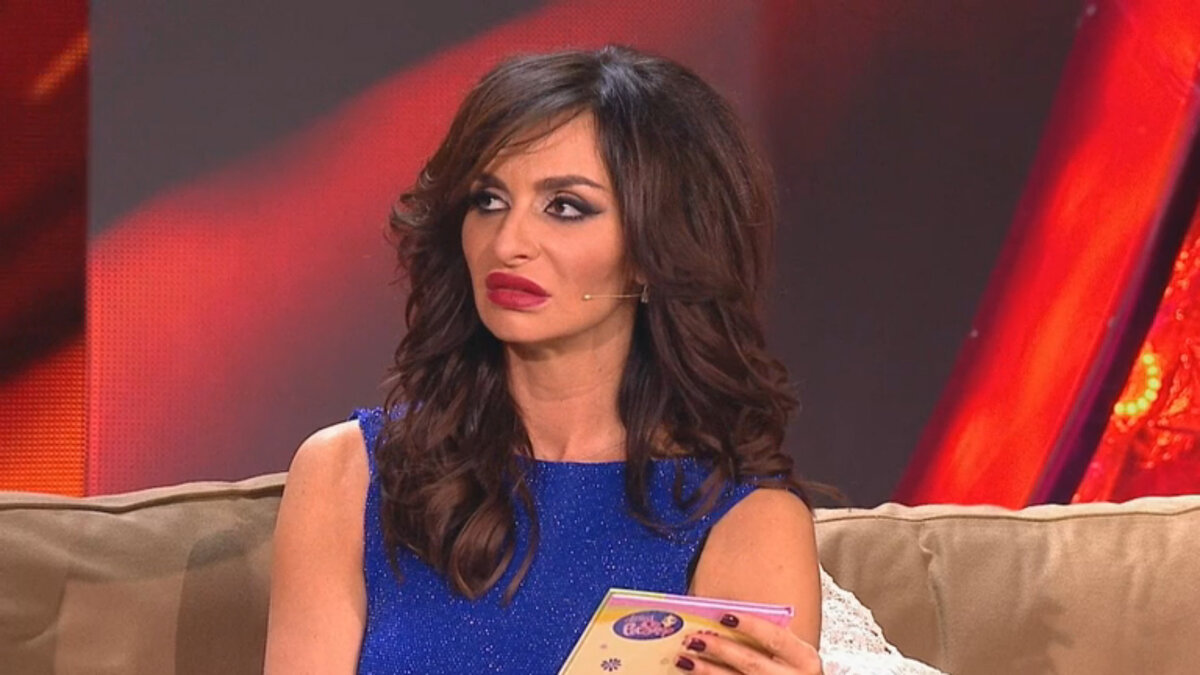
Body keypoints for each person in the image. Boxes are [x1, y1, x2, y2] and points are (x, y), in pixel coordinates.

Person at [264, 45, 942, 675]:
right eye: (488, 200)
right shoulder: (347, 474)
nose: (509, 241)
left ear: (653, 252)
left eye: (565, 207)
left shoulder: (744, 519)